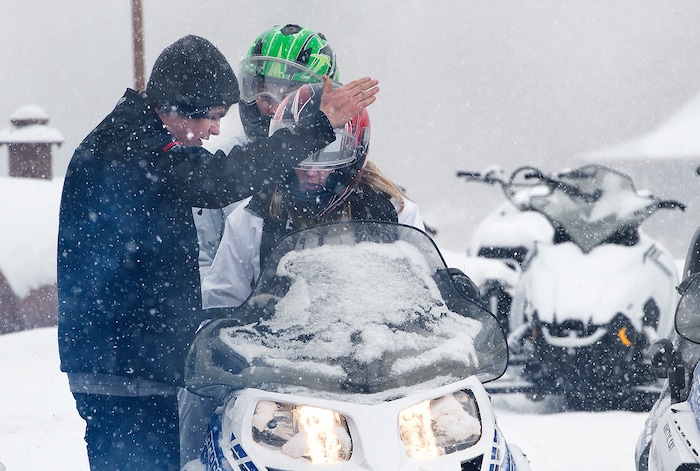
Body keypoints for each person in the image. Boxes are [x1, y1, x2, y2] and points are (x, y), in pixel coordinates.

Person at [57, 34, 378, 471]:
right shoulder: (130, 148)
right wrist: (316, 127)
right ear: (178, 105)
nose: (213, 130)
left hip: (131, 361)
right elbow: (223, 180)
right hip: (123, 368)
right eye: (210, 117)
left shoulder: (134, 139)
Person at [201, 82, 424, 310]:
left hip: (374, 341)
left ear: (354, 154)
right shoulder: (254, 216)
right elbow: (221, 303)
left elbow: (426, 290)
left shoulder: (392, 210)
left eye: (329, 155)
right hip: (277, 342)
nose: (311, 172)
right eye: (302, 157)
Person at [194, 24, 340, 280]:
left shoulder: (335, 162)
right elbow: (201, 264)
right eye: (265, 95)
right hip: (243, 314)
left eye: (290, 95)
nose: (276, 108)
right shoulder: (223, 162)